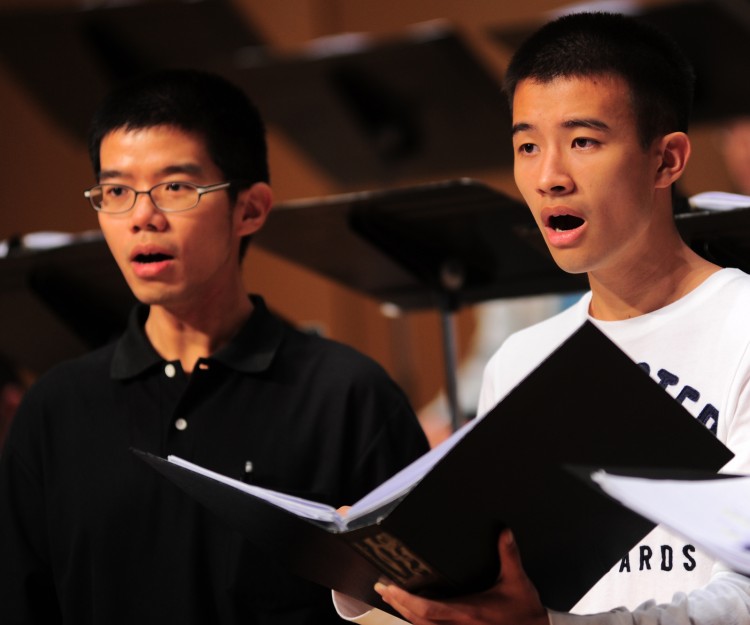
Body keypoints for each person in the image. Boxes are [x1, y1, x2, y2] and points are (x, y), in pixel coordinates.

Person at [335, 11, 750, 625]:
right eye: (528, 146)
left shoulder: (740, 325)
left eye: (583, 142)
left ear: (666, 160)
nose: (549, 177)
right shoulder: (521, 360)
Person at [0, 69, 430, 625]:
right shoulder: (55, 409)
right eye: (116, 192)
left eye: (175, 188)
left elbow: (419, 606)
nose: (142, 218)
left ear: (250, 209)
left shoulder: (348, 396)